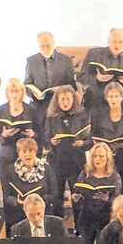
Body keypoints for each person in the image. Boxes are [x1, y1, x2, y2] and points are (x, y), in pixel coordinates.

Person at [73, 143, 122, 244]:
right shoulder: (84, 174)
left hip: (105, 220)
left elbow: (117, 201)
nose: (98, 159)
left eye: (101, 156)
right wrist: (77, 198)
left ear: (108, 157)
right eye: (95, 156)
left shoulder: (114, 176)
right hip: (86, 218)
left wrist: (107, 199)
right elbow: (79, 194)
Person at [44, 85, 92, 220]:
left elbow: (90, 139)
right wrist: (51, 142)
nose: (65, 102)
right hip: (57, 160)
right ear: (57, 101)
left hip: (76, 160)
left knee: (77, 195)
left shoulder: (82, 115)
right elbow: (46, 137)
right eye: (62, 99)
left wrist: (83, 143)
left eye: (68, 99)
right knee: (56, 196)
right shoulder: (51, 117)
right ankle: (57, 227)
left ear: (73, 99)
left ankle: (79, 228)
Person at [25, 31, 76, 151]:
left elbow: (72, 86)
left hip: (60, 107)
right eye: (42, 46)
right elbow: (27, 84)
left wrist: (61, 90)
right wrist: (33, 93)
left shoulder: (65, 60)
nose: (45, 48)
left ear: (53, 43)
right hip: (39, 106)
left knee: (57, 143)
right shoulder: (31, 61)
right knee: (39, 140)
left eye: (48, 45)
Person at [2, 137, 58, 235]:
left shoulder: (46, 168)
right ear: (18, 153)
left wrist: (39, 201)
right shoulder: (9, 171)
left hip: (41, 214)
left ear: (36, 152)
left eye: (31, 151)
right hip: (18, 214)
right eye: (24, 151)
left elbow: (54, 193)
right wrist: (17, 201)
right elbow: (6, 196)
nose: (28, 154)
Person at [91, 81, 123, 192]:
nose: (113, 100)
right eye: (111, 96)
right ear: (106, 97)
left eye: (116, 96)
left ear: (122, 97)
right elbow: (94, 136)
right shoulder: (98, 116)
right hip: (105, 159)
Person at [78, 28, 123, 115]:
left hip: (117, 105)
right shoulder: (94, 54)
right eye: (114, 41)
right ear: (108, 41)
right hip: (94, 103)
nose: (117, 44)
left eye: (120, 42)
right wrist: (97, 78)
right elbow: (81, 77)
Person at [0, 79, 37, 185]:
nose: (14, 94)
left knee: (26, 187)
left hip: (26, 154)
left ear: (22, 92)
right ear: (7, 92)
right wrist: (4, 135)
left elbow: (39, 133)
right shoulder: (0, 110)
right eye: (11, 91)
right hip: (6, 155)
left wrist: (32, 134)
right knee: (7, 187)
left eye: (17, 91)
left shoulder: (31, 109)